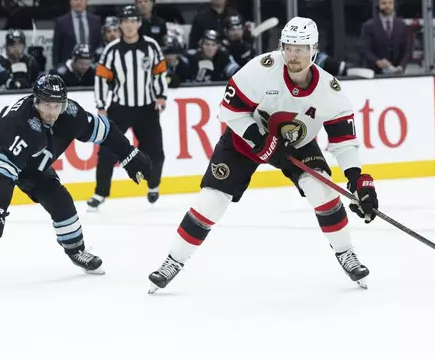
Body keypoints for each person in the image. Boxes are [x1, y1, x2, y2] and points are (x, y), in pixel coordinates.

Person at [147, 17, 379, 294]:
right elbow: (229, 111)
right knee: (211, 200)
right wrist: (260, 140)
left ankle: (346, 254)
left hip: (297, 144)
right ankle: (173, 260)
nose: (294, 56)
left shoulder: (329, 90)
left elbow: (344, 141)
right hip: (244, 142)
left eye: (301, 49)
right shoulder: (260, 69)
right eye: (289, 47)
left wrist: (356, 178)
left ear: (314, 50)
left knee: (323, 193)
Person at [0, 74, 153, 274]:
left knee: (60, 199)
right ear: (35, 101)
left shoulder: (71, 115)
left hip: (29, 163)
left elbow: (105, 131)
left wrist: (129, 154)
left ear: (64, 104)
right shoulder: (22, 124)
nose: (51, 111)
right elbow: (4, 171)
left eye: (56, 105)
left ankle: (76, 250)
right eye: (46, 104)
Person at [88, 5, 168, 210]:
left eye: (133, 21)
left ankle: (154, 185)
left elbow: (160, 72)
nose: (129, 25)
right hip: (119, 108)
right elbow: (101, 79)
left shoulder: (151, 46)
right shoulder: (111, 49)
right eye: (125, 21)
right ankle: (100, 193)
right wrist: (101, 106)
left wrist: (161, 97)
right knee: (106, 152)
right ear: (120, 25)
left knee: (156, 152)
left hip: (147, 108)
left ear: (139, 23)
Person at [358, 0, 411, 75]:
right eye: (384, 3)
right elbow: (364, 49)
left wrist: (401, 66)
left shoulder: (402, 25)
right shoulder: (369, 26)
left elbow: (408, 50)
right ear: (378, 5)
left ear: (394, 5)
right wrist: (377, 61)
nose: (387, 6)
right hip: (375, 73)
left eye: (390, 3)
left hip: (398, 73)